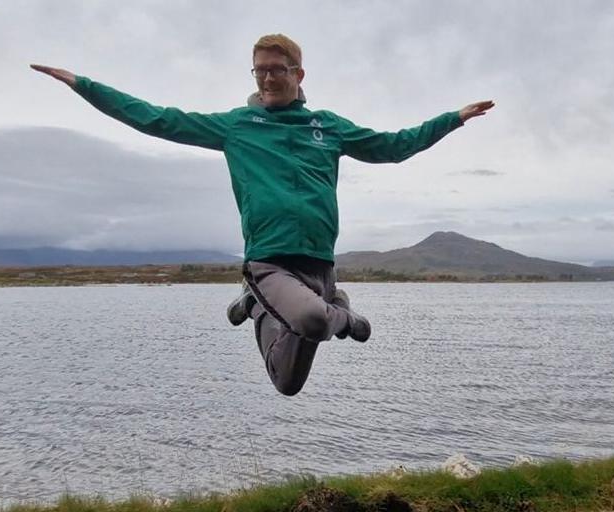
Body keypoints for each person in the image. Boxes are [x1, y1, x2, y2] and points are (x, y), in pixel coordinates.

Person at [31, 34, 493, 396]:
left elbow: (393, 146)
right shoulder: (236, 126)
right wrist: (84, 86)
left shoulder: (327, 126)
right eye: (259, 71)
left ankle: (261, 306)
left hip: (319, 266)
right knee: (315, 322)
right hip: (270, 261)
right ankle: (341, 316)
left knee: (286, 383)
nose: (267, 79)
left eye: (276, 70)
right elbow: (157, 118)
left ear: (298, 73)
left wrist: (451, 118)